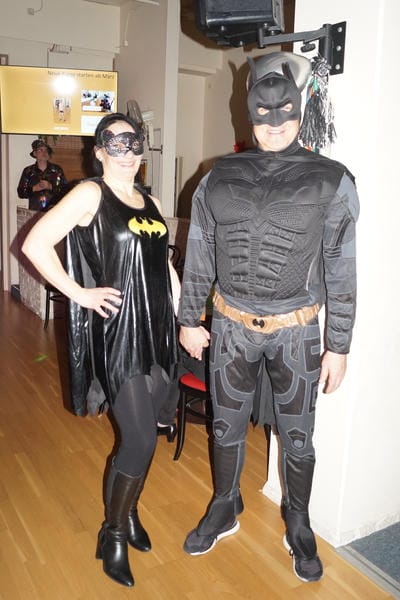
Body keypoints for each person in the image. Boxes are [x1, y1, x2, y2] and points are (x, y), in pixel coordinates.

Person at [177, 52, 359, 583]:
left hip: (296, 332)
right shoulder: (218, 176)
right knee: (224, 425)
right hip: (230, 327)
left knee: (299, 436)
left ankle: (297, 522)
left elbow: (341, 267)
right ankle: (224, 505)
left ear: (301, 112)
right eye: (263, 112)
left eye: (286, 112)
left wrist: (339, 344)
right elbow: (200, 252)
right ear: (248, 112)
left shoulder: (332, 180)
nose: (275, 123)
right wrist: (189, 318)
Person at [22, 112, 181, 588]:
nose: (127, 153)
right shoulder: (90, 194)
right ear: (99, 151)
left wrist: (186, 320)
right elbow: (35, 244)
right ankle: (111, 535)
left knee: (146, 434)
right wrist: (80, 294)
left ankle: (127, 515)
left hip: (159, 331)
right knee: (140, 440)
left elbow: (164, 267)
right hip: (120, 334)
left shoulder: (151, 201)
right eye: (116, 144)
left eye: (134, 144)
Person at [17, 139, 68, 211]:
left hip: (54, 211)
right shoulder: (28, 171)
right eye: (40, 150)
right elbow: (21, 193)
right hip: (35, 212)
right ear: (35, 153)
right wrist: (35, 188)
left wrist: (50, 186)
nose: (44, 153)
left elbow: (66, 190)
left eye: (46, 150)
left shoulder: (57, 170)